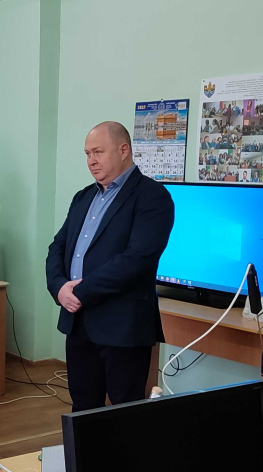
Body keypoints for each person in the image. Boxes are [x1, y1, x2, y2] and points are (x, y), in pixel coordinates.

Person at [45, 121, 174, 413]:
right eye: (87, 154)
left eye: (98, 152)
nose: (91, 160)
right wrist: (59, 287)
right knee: (83, 408)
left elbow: (137, 259)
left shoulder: (152, 196)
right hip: (78, 323)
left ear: (123, 150)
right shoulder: (83, 197)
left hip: (122, 326)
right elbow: (58, 248)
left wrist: (79, 292)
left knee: (124, 414)